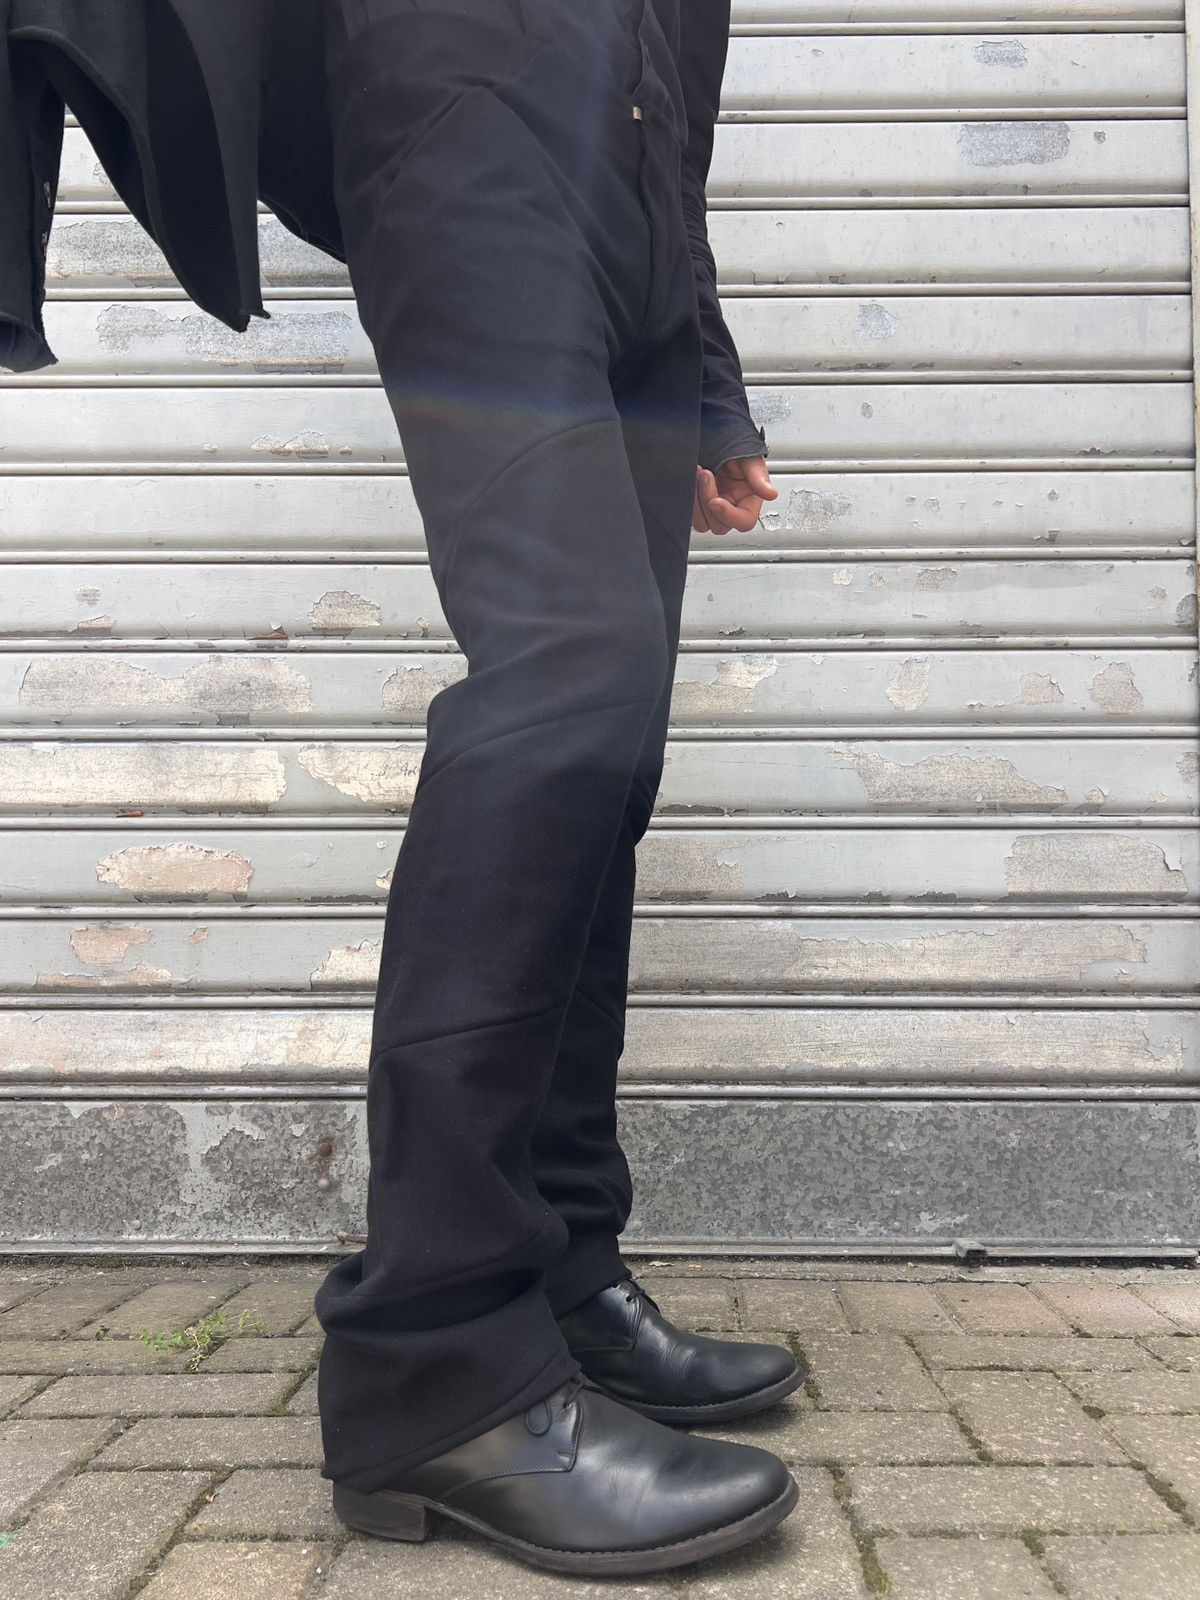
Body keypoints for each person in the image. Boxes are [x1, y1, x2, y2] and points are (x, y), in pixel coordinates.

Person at [310, 0, 800, 1576]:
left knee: (615, 739)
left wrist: (706, 367)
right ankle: (433, 1367)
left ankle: (568, 1272)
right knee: (566, 678)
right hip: (470, 121)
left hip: (636, 192)